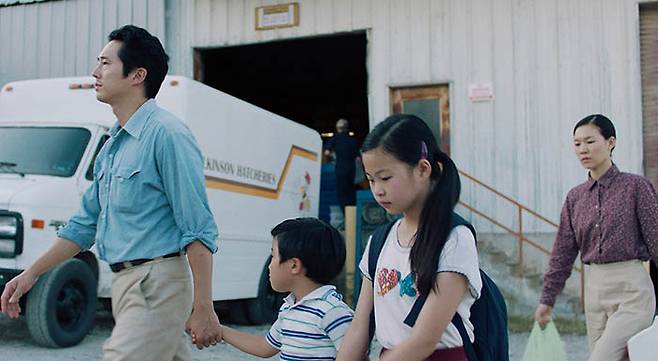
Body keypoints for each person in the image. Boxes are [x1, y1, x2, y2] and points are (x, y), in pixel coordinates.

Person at [0, 25, 222, 360]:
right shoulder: (113, 146)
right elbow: (82, 226)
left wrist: (204, 307)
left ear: (137, 75)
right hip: (124, 285)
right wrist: (30, 274)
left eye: (105, 63)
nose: (95, 72)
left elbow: (198, 227)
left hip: (156, 285)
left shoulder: (167, 135)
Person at [337, 114, 482, 361]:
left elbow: (424, 341)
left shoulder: (455, 239)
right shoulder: (379, 242)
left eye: (385, 178)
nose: (377, 190)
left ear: (423, 169)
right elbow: (360, 327)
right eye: (371, 180)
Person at [534, 114, 658, 361]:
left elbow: (656, 240)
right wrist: (546, 300)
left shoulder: (636, 187)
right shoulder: (575, 198)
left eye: (590, 141)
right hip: (595, 292)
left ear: (610, 142)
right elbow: (562, 253)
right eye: (577, 143)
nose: (583, 150)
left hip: (633, 291)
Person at [221, 217, 353, 360]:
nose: (270, 266)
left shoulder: (333, 312)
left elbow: (355, 354)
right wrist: (220, 331)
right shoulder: (289, 308)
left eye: (273, 256)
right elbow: (264, 347)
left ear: (294, 265)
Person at [324, 118, 361, 213]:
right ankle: (353, 216)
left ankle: (346, 216)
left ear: (337, 128)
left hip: (340, 169)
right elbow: (358, 158)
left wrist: (334, 157)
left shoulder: (335, 139)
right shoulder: (353, 141)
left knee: (342, 194)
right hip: (351, 170)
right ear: (347, 128)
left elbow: (327, 153)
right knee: (351, 193)